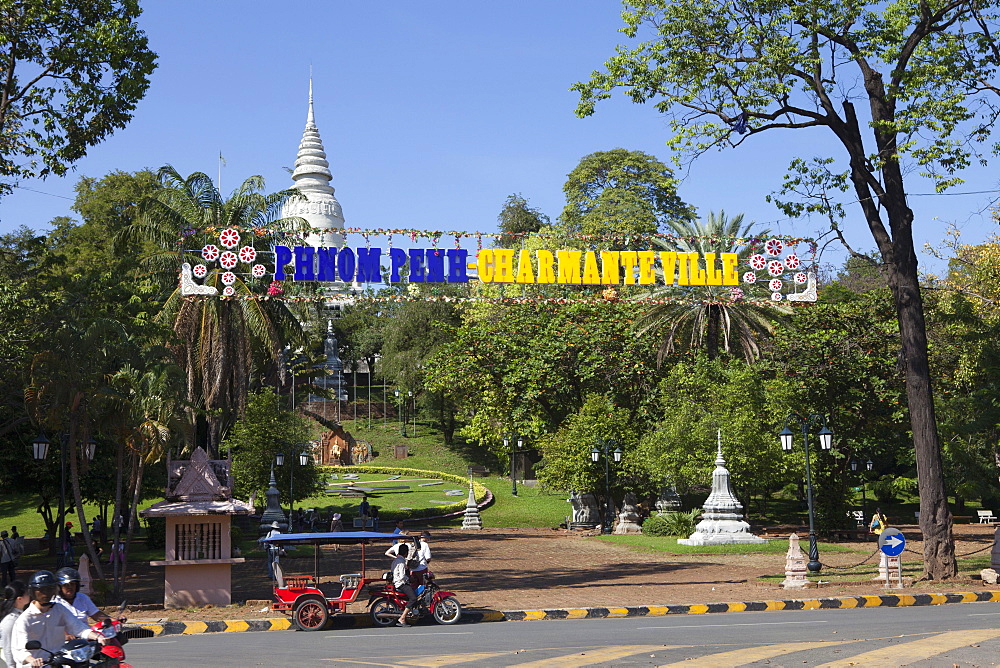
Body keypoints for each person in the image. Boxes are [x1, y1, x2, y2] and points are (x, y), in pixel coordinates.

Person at [11, 570, 108, 668]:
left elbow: (77, 627)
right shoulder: (25, 619)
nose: (46, 593)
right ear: (33, 592)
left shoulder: (59, 609)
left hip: (60, 662)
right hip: (38, 665)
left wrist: (97, 637)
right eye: (42, 590)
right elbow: (19, 649)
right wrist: (32, 660)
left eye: (50, 589)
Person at [1, 581, 29, 668]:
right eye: (27, 594)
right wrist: (11, 666)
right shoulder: (10, 620)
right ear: (19, 599)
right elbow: (7, 647)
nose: (29, 595)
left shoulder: (21, 614)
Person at [389, 544, 416, 627]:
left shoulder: (396, 560)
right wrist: (409, 579)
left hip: (396, 582)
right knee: (413, 598)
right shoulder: (401, 561)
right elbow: (402, 576)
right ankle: (402, 617)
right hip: (401, 584)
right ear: (406, 553)